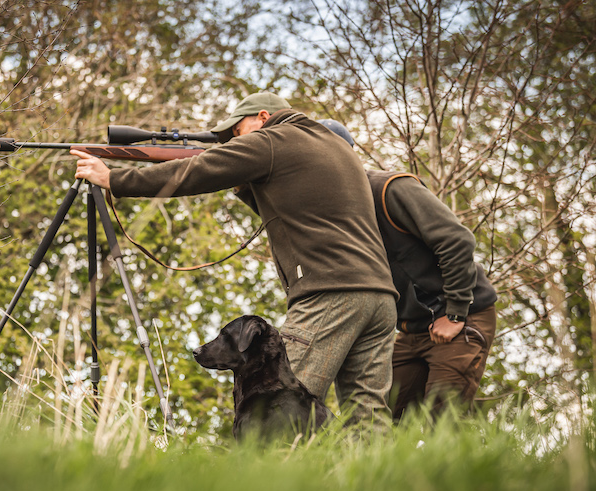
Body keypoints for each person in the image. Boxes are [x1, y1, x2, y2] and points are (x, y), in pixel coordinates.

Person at [72, 92, 399, 430]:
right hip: (380, 297)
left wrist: (115, 179)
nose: (236, 141)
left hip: (330, 295)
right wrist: (245, 186)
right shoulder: (333, 146)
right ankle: (374, 482)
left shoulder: (273, 138)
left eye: (237, 132)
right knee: (368, 417)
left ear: (262, 116)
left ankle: (268, 483)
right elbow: (300, 215)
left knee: (276, 409)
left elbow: (201, 169)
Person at [318, 120, 498, 420]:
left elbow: (456, 240)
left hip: (460, 316)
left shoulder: (390, 189)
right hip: (410, 330)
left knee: (443, 420)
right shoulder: (331, 214)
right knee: (379, 417)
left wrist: (454, 313)